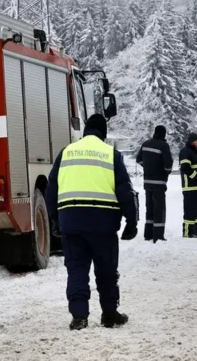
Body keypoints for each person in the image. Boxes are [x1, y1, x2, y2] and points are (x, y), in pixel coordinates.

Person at [45, 114, 137, 331]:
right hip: (102, 224)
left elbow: (51, 190)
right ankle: (109, 314)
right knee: (106, 270)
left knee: (76, 269)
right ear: (103, 133)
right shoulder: (110, 154)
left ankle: (79, 317)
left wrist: (55, 219)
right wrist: (131, 221)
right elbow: (125, 191)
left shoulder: (66, 153)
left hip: (71, 223)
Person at [136, 125, 173, 243]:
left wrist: (147, 168)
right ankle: (158, 236)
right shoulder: (163, 145)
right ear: (164, 134)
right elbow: (168, 165)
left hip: (147, 182)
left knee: (149, 209)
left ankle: (148, 234)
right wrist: (165, 173)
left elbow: (139, 159)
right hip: (159, 183)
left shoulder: (145, 144)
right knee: (159, 210)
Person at [179, 132, 197, 239]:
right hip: (189, 186)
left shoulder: (194, 152)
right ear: (193, 141)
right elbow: (185, 168)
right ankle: (187, 232)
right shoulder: (185, 152)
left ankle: (195, 230)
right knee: (189, 210)